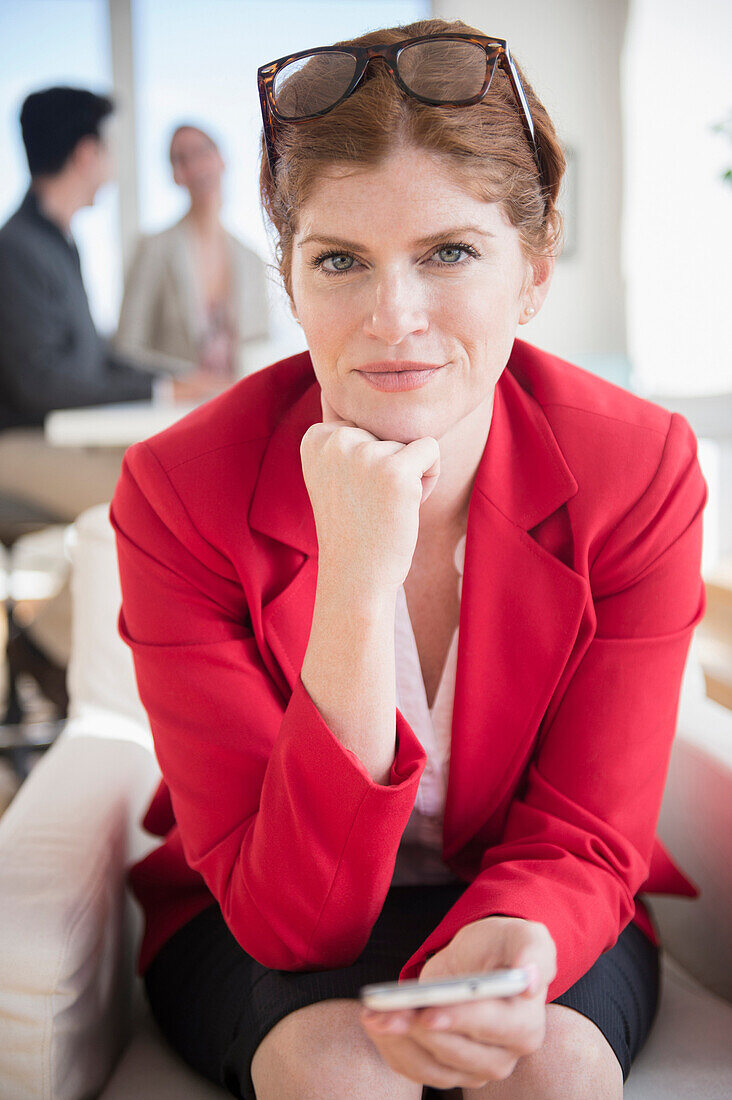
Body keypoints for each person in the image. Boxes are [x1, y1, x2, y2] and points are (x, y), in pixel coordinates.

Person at [111, 19, 707, 1100]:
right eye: (340, 259)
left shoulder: (640, 467)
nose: (395, 320)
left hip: (532, 890)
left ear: (533, 269)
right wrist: (355, 582)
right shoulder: (177, 491)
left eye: (449, 252)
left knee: (560, 1065)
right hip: (260, 907)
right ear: (289, 280)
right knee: (335, 1069)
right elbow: (290, 916)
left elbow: (587, 828)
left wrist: (523, 938)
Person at [0, 86, 219, 520]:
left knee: (179, 465)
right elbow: (41, 382)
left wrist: (174, 379)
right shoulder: (17, 248)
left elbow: (95, 357)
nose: (112, 167)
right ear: (86, 154)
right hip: (17, 446)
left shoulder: (56, 242)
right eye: (109, 149)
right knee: (163, 498)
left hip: (53, 437)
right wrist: (162, 388)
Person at [115, 123, 270, 381]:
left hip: (237, 404)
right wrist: (186, 379)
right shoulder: (153, 250)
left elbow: (261, 346)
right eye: (182, 159)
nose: (196, 166)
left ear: (221, 159)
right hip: (177, 410)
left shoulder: (252, 260)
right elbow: (127, 349)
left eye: (202, 152)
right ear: (175, 175)